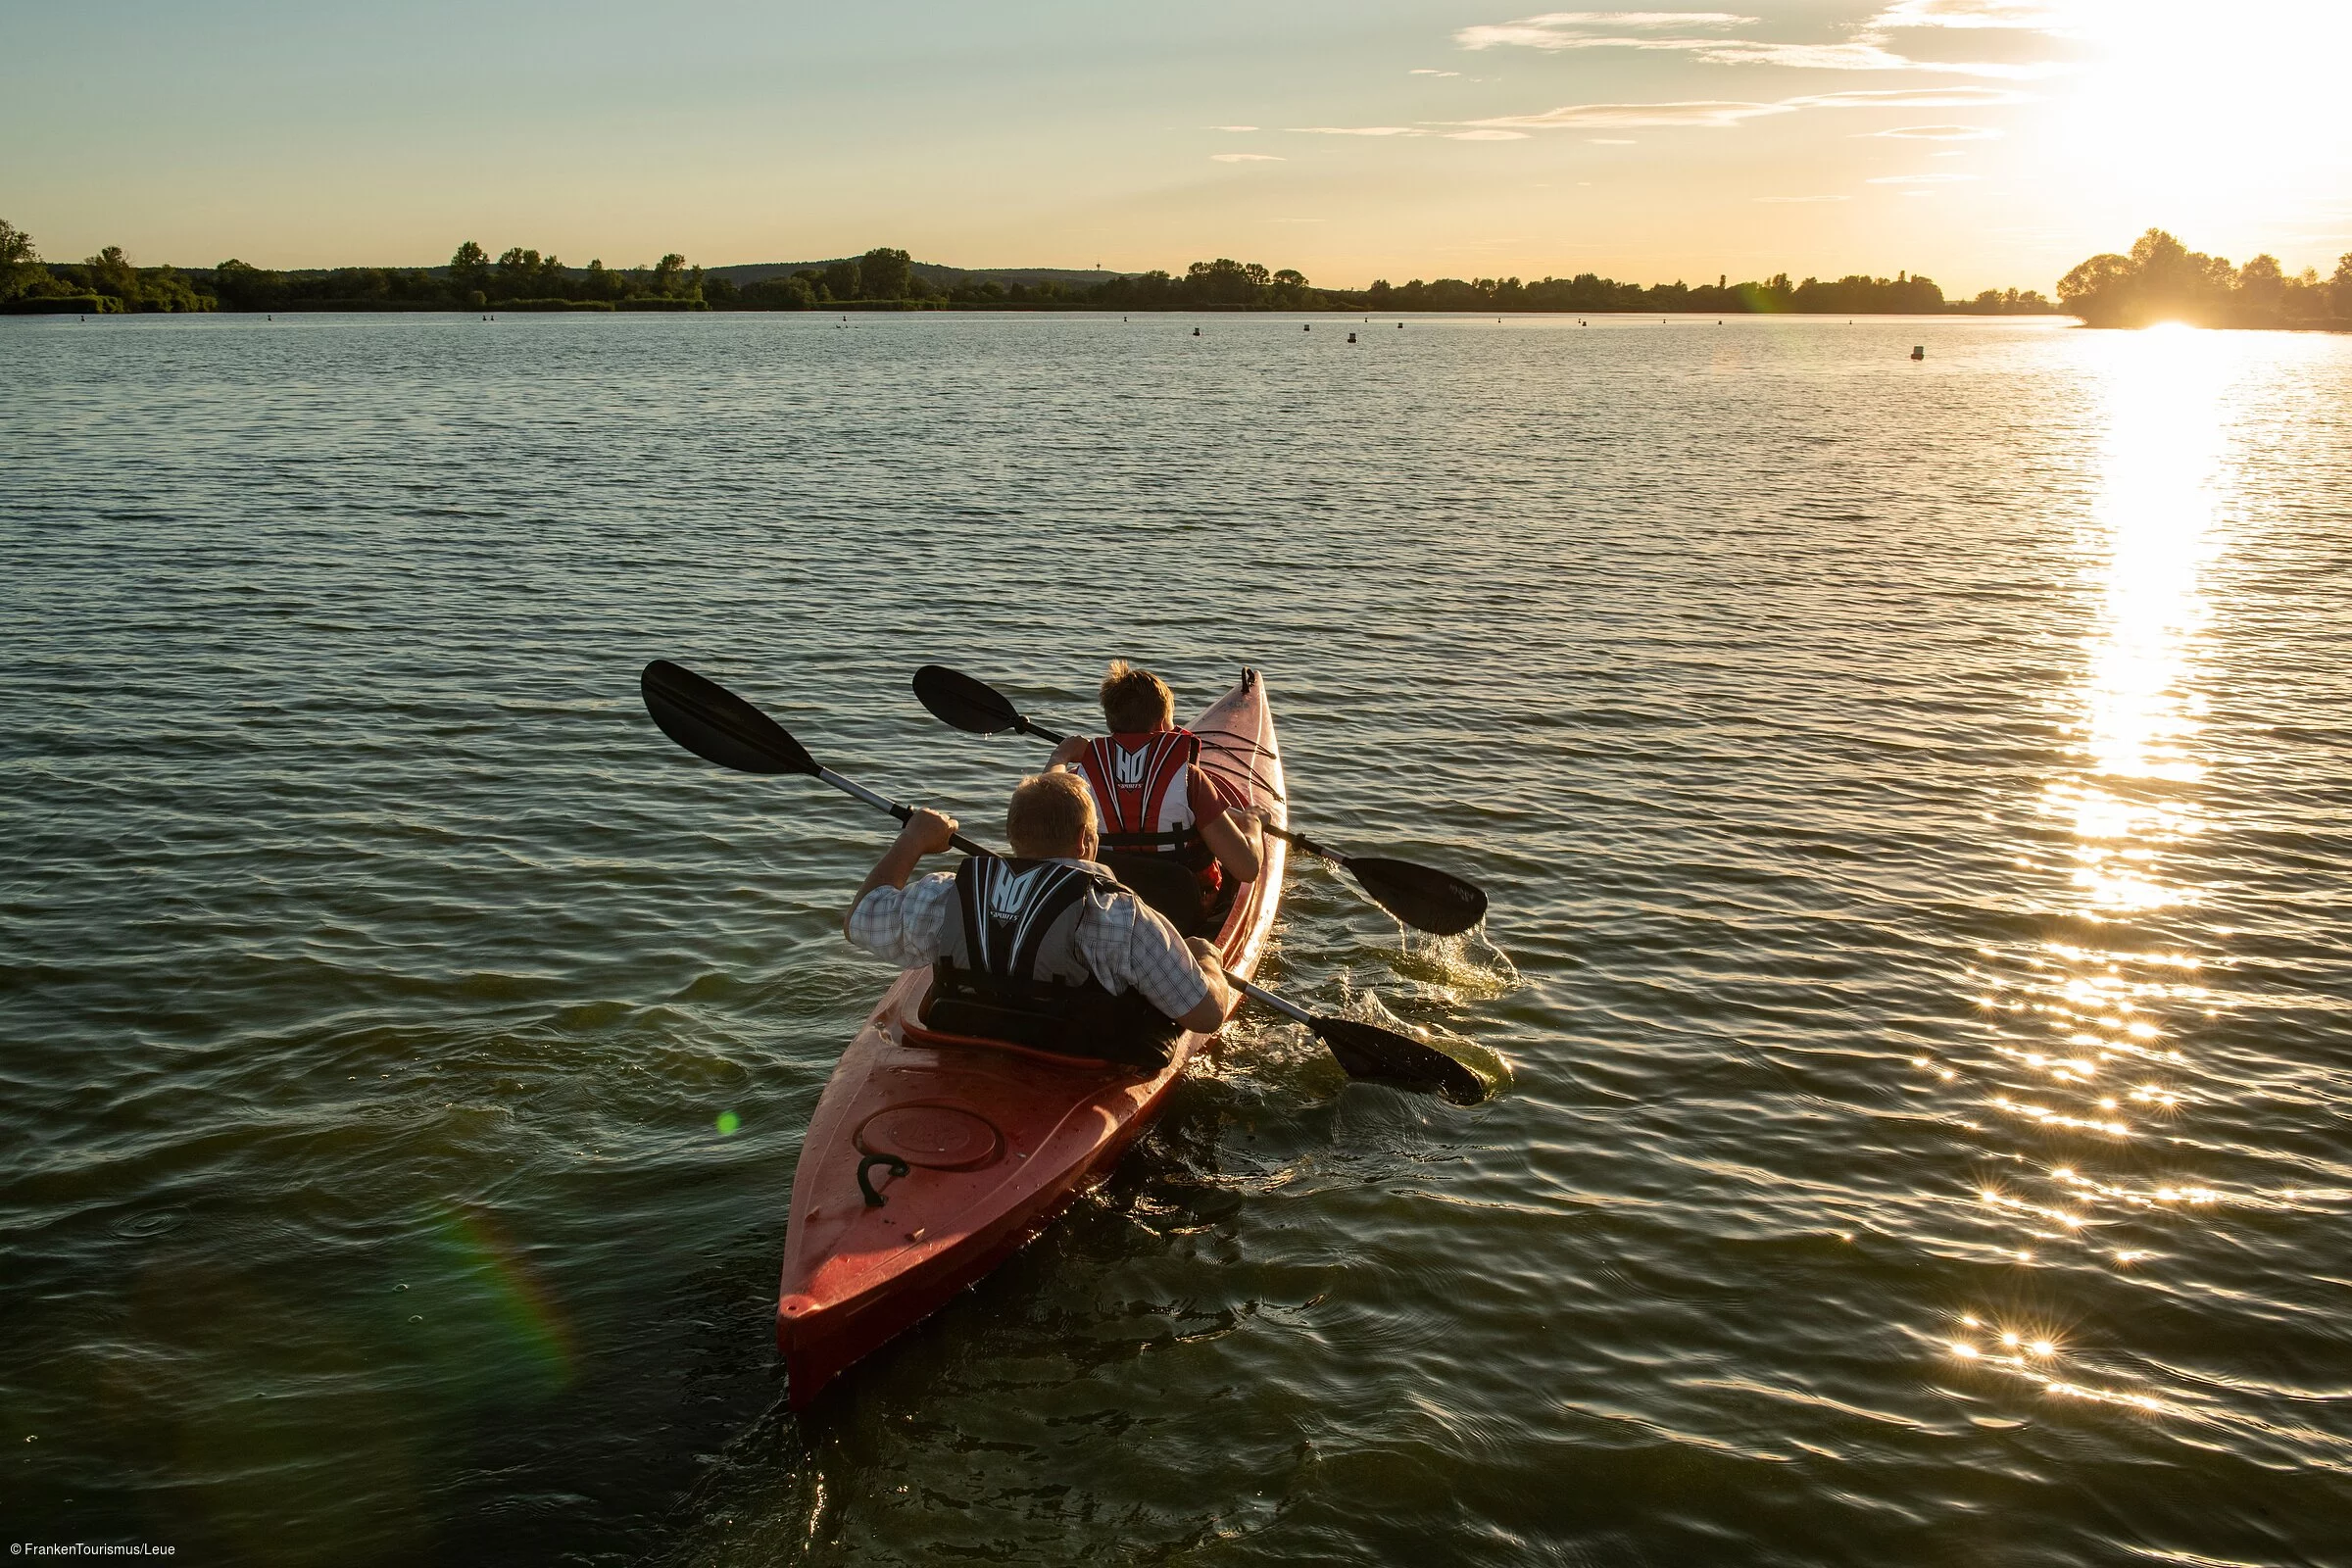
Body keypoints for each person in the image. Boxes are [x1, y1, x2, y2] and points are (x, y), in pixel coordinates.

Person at [843, 770, 1233, 1068]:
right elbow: (1206, 1015)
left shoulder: (946, 895)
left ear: (1012, 834)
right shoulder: (1117, 915)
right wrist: (1207, 958)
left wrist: (912, 840)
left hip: (969, 1048)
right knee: (1197, 956)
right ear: (1085, 839)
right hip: (1075, 1064)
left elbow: (860, 919)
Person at [1046, 661, 1263, 932]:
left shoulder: (1078, 780)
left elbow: (1045, 803)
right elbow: (1247, 869)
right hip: (1180, 919)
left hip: (1106, 911)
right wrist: (1253, 821)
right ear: (1162, 724)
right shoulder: (1189, 779)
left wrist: (1060, 755)